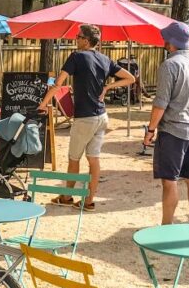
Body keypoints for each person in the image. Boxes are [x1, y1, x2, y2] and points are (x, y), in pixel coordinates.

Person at [38, 24, 135, 209]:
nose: (75, 38)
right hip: (101, 116)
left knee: (74, 158)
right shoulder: (105, 59)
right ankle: (89, 201)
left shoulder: (76, 57)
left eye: (78, 36)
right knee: (94, 159)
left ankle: (67, 198)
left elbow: (58, 84)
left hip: (84, 118)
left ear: (86, 40)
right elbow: (131, 78)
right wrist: (107, 87)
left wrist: (43, 104)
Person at [145, 21, 189, 225]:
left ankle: (166, 225)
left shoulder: (169, 65)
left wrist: (150, 129)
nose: (163, 42)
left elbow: (160, 103)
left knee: (169, 180)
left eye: (165, 39)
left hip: (173, 129)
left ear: (171, 42)